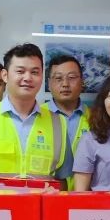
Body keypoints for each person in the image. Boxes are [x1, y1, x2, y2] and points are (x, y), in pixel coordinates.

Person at [0, 43, 67, 190]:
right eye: (20, 71)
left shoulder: (57, 122)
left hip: (38, 205)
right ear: (5, 75)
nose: (27, 78)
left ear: (42, 76)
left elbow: (61, 181)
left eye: (35, 72)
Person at [45, 53, 88, 188]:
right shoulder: (36, 116)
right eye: (58, 78)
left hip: (86, 195)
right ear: (49, 83)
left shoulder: (97, 119)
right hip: (49, 195)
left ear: (82, 82)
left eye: (72, 78)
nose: (65, 84)